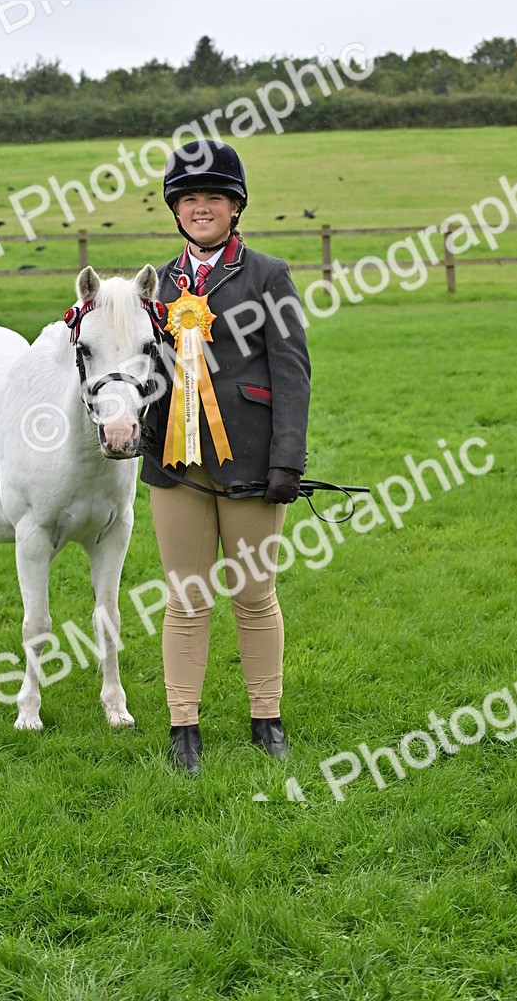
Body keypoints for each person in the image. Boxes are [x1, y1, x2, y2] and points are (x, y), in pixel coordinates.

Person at [140, 139, 311, 774]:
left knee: (254, 593)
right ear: (176, 210)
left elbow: (292, 373)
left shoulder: (270, 275)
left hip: (251, 461)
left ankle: (266, 715)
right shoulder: (153, 283)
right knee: (186, 596)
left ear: (235, 206)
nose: (201, 207)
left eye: (213, 197)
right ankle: (183, 725)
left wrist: (286, 460)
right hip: (174, 465)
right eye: (190, 199)